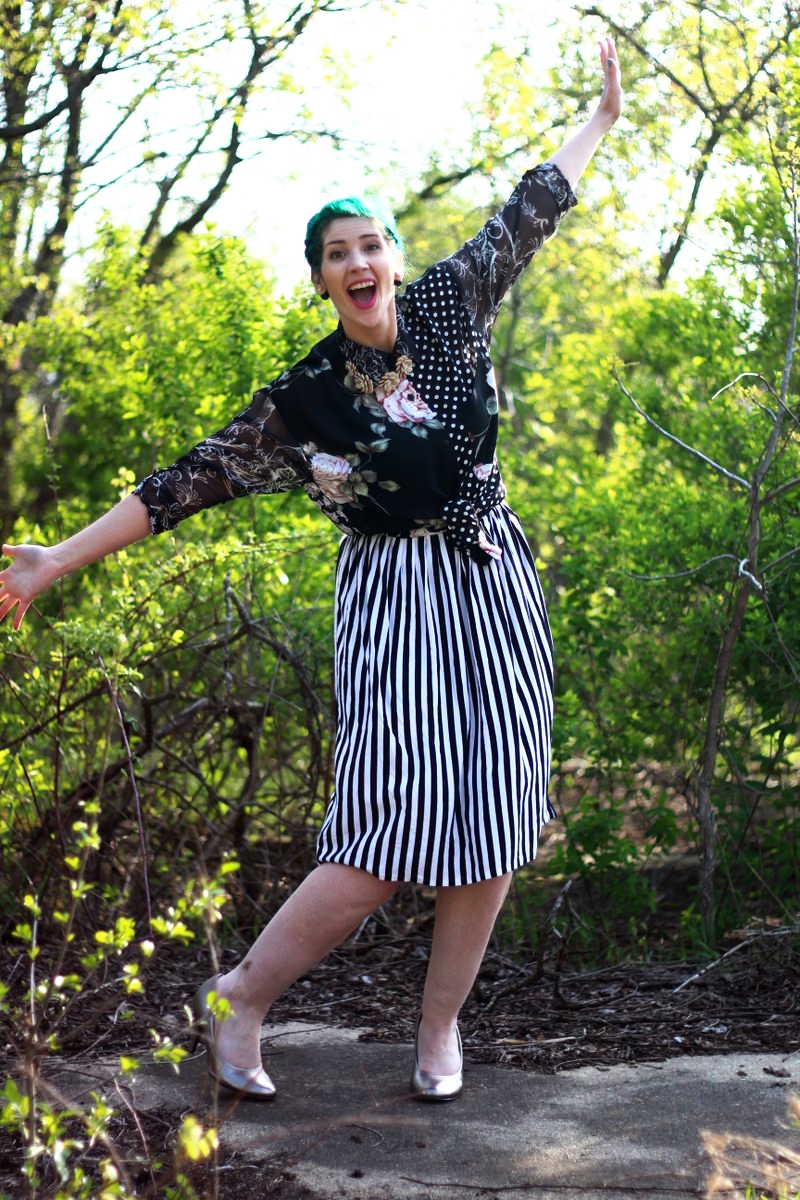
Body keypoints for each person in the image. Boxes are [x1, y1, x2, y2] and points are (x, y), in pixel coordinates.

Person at [0, 39, 622, 1102]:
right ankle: (240, 996)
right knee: (385, 828)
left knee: (499, 820)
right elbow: (180, 484)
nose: (358, 262)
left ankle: (439, 1027)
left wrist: (600, 119)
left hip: (492, 578)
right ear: (324, 279)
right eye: (337, 253)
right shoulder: (304, 401)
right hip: (394, 600)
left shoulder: (452, 300)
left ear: (393, 256)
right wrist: (57, 558)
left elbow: (534, 204)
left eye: (370, 242)